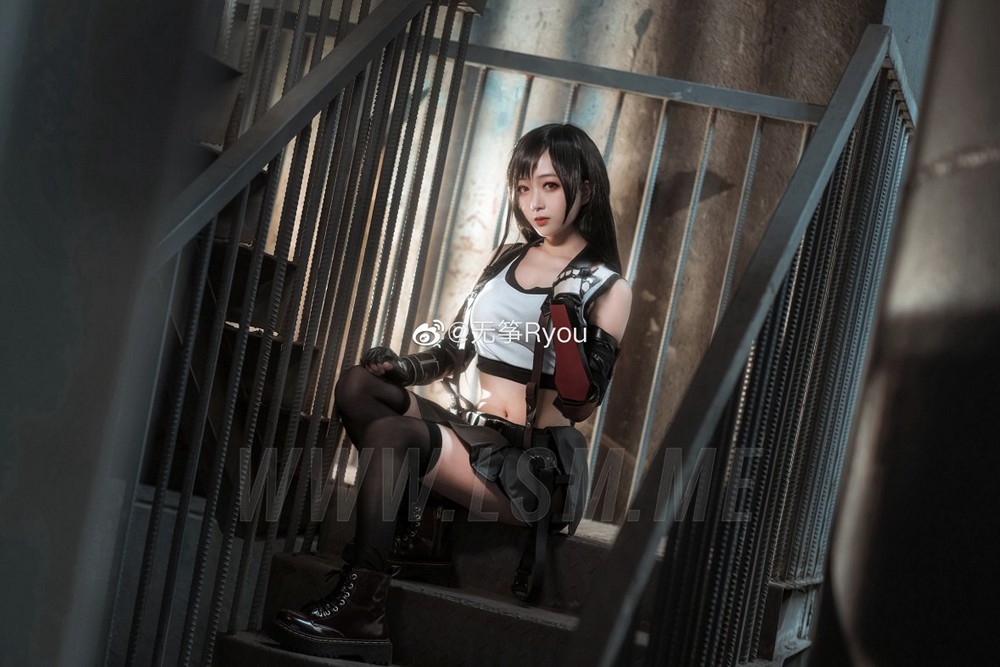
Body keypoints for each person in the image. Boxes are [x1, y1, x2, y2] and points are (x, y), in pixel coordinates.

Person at [267, 123, 632, 663]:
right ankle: (426, 537)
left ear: (587, 188)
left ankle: (362, 608)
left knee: (396, 435)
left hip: (532, 469)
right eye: (524, 186)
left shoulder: (606, 286)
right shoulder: (506, 258)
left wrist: (565, 323)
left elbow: (583, 402)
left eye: (551, 186)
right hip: (480, 438)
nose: (534, 202)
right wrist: (401, 367)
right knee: (360, 385)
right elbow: (453, 351)